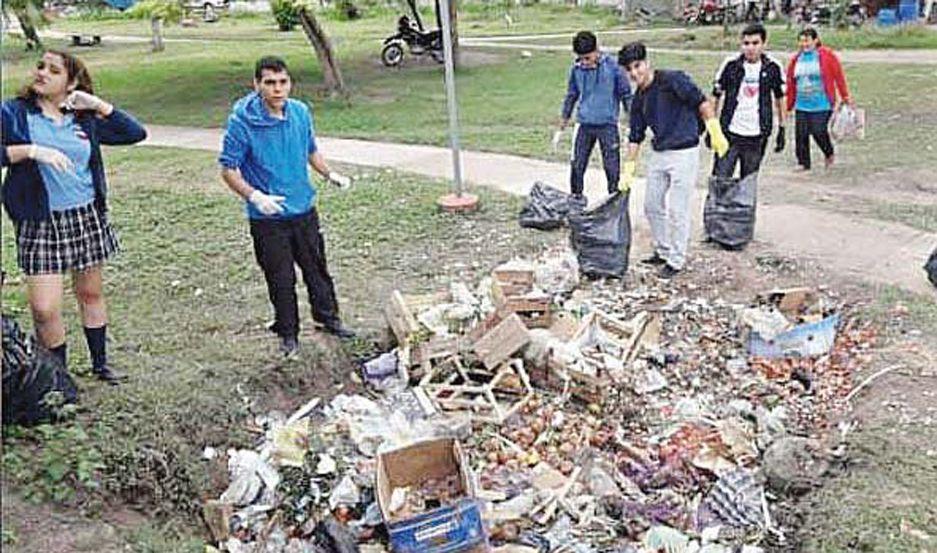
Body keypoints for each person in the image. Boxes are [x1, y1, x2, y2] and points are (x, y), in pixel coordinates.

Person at [1, 50, 147, 384]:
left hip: (85, 216)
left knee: (91, 293)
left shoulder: (82, 117)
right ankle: (58, 377)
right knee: (44, 308)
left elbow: (134, 133)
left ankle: (100, 364)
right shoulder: (14, 113)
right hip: (39, 221)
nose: (42, 73)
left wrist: (97, 104)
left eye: (54, 70)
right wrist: (32, 151)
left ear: (72, 82)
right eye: (41, 66)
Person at [219, 56, 355, 358]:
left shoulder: (300, 112)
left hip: (303, 209)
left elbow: (310, 150)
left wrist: (330, 174)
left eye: (283, 82)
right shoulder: (242, 122)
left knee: (317, 269)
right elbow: (229, 169)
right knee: (280, 277)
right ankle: (288, 332)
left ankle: (328, 319)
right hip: (268, 218)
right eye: (270, 83)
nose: (278, 89)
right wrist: (255, 197)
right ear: (257, 85)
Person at [618, 42, 729, 279]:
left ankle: (676, 260)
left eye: (637, 66)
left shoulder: (672, 80)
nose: (635, 73)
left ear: (647, 62)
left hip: (685, 151)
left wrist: (714, 130)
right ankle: (663, 248)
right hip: (660, 152)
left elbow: (702, 102)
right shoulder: (638, 99)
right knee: (651, 204)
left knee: (678, 209)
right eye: (629, 70)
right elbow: (635, 136)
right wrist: (628, 170)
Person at [558, 31, 632, 197]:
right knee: (577, 166)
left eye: (588, 58)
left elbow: (626, 95)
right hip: (584, 125)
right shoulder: (576, 69)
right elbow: (571, 95)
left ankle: (614, 208)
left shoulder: (614, 67)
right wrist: (564, 118)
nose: (584, 63)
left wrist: (631, 120)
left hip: (608, 126)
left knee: (612, 170)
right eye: (580, 58)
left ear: (597, 50)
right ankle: (576, 203)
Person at [712, 22, 787, 179]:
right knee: (720, 179)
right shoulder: (731, 65)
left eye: (755, 43)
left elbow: (780, 99)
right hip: (730, 132)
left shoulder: (773, 67)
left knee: (748, 182)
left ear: (764, 44)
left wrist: (782, 128)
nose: (750, 48)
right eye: (746, 43)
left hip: (757, 134)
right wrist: (712, 128)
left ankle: (744, 205)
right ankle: (718, 205)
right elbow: (716, 95)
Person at [785, 27, 853, 171]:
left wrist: (845, 95)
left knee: (818, 131)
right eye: (801, 41)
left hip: (822, 103)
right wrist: (788, 105)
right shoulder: (796, 59)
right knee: (801, 134)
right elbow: (791, 82)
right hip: (802, 104)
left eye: (807, 40)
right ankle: (803, 163)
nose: (804, 44)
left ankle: (829, 153)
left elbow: (838, 76)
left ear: (815, 40)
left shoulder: (827, 55)